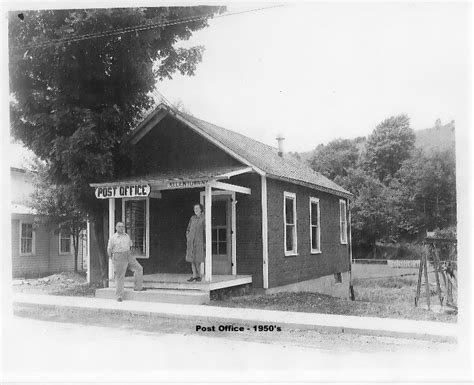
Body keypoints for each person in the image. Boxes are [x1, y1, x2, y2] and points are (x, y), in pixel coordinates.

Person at [107, 221, 146, 302]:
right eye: (119, 226)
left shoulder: (127, 236)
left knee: (139, 268)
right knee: (120, 276)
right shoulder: (113, 238)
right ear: (116, 228)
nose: (121, 228)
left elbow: (130, 245)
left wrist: (130, 254)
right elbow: (109, 249)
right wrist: (112, 258)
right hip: (119, 257)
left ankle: (138, 287)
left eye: (122, 226)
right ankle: (119, 296)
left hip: (128, 255)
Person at [186, 203, 205, 282]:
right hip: (191, 241)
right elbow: (188, 228)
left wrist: (204, 241)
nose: (196, 210)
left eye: (197, 208)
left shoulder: (204, 218)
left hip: (199, 241)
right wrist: (188, 237)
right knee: (191, 259)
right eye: (194, 209)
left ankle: (199, 276)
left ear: (201, 209)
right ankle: (194, 275)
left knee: (198, 259)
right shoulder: (192, 218)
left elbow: (205, 230)